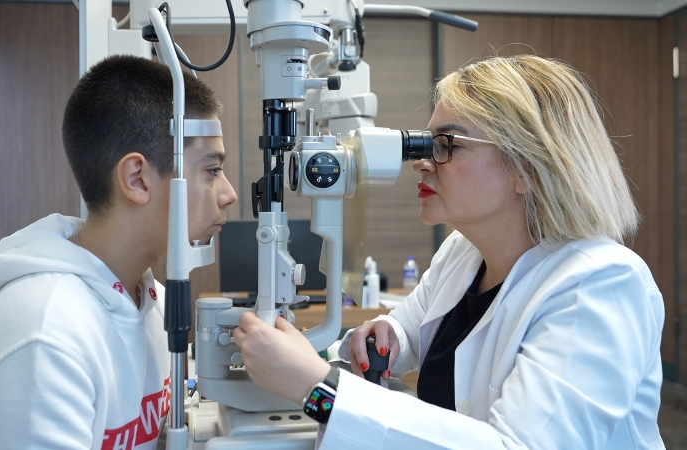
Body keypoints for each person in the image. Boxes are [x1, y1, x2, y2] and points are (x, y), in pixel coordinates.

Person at [233, 55, 665, 449]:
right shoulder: (464, 251)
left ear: (527, 168)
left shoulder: (598, 285)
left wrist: (319, 390)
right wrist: (387, 335)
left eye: (447, 145)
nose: (421, 161)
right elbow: (409, 331)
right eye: (426, 143)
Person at [0, 55, 237, 449]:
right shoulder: (45, 333)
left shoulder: (151, 303)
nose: (229, 194)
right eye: (212, 170)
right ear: (137, 179)